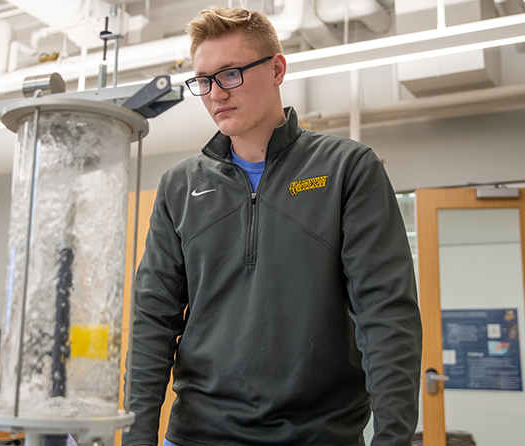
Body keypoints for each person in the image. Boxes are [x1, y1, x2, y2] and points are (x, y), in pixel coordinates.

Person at [123, 6, 422, 446]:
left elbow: (386, 314)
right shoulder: (179, 187)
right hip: (198, 434)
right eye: (203, 81)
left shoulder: (347, 169)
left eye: (230, 74)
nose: (215, 95)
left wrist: (393, 438)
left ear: (277, 68)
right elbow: (152, 321)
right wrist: (135, 439)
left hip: (319, 435)